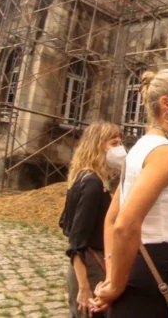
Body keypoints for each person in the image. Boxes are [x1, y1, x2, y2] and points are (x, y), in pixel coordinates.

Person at [90, 69, 168, 316]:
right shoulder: (165, 153)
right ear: (166, 104)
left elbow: (112, 217)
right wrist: (115, 284)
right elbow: (125, 223)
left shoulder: (141, 147)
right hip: (154, 263)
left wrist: (113, 274)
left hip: (136, 263)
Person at [59, 121, 126, 318]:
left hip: (91, 264)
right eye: (114, 143)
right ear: (98, 145)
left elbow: (65, 222)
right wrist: (84, 286)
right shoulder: (92, 183)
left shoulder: (83, 177)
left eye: (120, 142)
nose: (120, 148)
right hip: (90, 266)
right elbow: (76, 242)